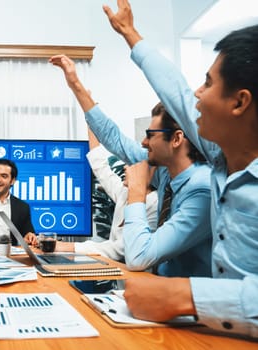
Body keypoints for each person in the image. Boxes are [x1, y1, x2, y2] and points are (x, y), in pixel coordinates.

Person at [103, 0, 258, 337]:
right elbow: (174, 90)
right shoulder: (222, 154)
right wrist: (131, 35)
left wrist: (187, 295)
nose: (196, 95)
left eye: (208, 83)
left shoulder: (206, 173)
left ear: (239, 102)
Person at [49, 53, 212, 277]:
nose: (143, 143)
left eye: (150, 135)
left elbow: (138, 257)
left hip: (189, 303)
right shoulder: (166, 171)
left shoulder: (201, 188)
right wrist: (76, 85)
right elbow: (115, 139)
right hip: (159, 288)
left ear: (176, 139)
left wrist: (136, 192)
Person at [54, 124, 158, 261]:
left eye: (132, 164)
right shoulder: (125, 193)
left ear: (149, 172)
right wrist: (91, 123)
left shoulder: (154, 203)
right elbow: (100, 168)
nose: (126, 168)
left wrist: (67, 247)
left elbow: (121, 249)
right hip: (120, 275)